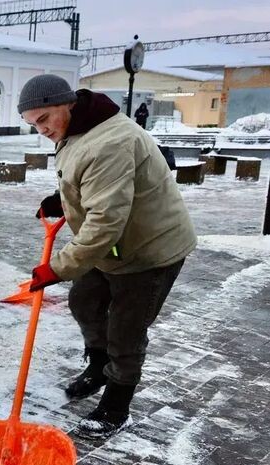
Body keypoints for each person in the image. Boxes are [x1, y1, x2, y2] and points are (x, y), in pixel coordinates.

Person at [18, 74, 196, 440]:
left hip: (149, 251)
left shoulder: (111, 141)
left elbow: (104, 223)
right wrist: (63, 196)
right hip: (114, 247)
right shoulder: (80, 127)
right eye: (34, 123)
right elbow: (90, 180)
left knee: (126, 332)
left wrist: (56, 268)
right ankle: (99, 366)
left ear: (67, 103)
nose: (42, 129)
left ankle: (116, 407)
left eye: (45, 118)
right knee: (84, 302)